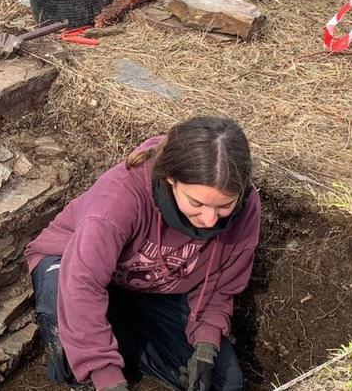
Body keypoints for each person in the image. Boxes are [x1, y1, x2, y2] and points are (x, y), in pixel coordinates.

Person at [25, 116, 261, 391]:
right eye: (196, 202)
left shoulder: (246, 208)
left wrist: (206, 345)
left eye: (223, 206)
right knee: (66, 323)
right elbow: (82, 284)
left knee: (224, 384)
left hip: (149, 290)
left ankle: (124, 344)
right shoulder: (120, 199)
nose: (210, 220)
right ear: (170, 178)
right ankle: (96, 366)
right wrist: (105, 377)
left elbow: (220, 286)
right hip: (72, 269)